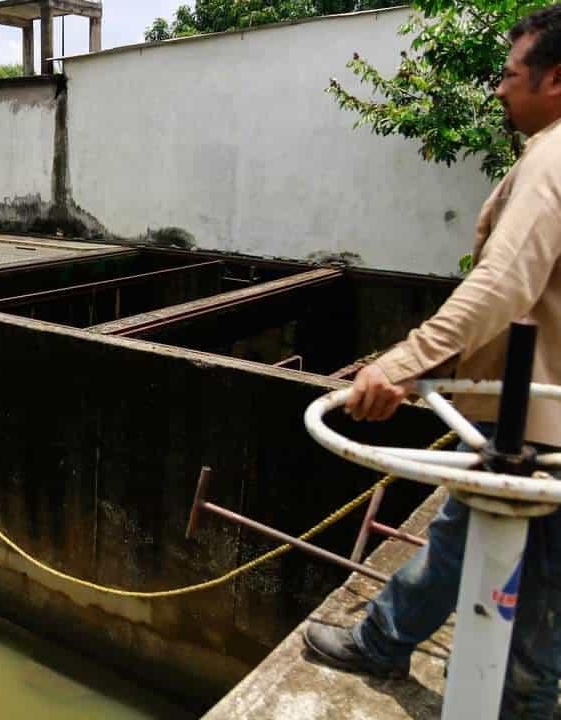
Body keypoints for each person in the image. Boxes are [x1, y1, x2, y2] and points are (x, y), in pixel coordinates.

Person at [303, 7, 561, 718]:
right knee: (459, 530)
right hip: (528, 412)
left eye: (509, 75)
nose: (500, 92)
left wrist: (406, 362)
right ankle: (384, 639)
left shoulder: (551, 160)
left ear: (556, 78)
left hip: (538, 423)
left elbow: (504, 282)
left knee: (537, 616)